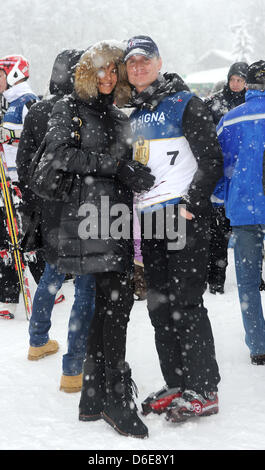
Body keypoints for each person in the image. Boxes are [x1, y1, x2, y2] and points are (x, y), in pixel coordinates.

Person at [30, 41, 154, 438]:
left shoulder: (117, 114)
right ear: (86, 73)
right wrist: (116, 166)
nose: (108, 77)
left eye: (113, 70)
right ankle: (116, 399)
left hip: (116, 223)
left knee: (107, 312)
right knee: (114, 314)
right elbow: (61, 155)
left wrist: (131, 169)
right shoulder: (69, 108)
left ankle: (92, 397)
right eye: (100, 70)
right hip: (87, 226)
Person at [124, 35, 222, 423]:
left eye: (144, 60)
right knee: (159, 306)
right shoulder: (132, 115)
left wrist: (192, 205)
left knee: (186, 302)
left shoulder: (184, 103)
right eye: (131, 62)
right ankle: (178, 383)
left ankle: (204, 388)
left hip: (182, 217)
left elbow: (211, 159)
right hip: (149, 220)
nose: (138, 67)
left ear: (158, 61)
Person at [16, 49, 96, 393]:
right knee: (84, 281)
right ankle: (73, 368)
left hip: (48, 206)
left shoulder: (37, 110)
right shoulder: (81, 110)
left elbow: (24, 162)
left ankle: (37, 340)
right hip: (82, 205)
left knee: (51, 271)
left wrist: (35, 204)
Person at [217, 60, 265, 366]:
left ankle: (258, 344)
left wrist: (222, 198)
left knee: (247, 281)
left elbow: (219, 165)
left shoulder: (230, 120)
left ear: (246, 85)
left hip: (245, 207)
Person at [0, 55, 46, 319]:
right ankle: (7, 296)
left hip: (24, 180)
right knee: (7, 236)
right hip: (7, 178)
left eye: (1, 74)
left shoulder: (28, 102)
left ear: (15, 73)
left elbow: (39, 137)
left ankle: (45, 287)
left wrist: (9, 136)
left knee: (27, 236)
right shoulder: (8, 103)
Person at [205, 62, 248, 294]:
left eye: (240, 80)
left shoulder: (250, 105)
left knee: (245, 232)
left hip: (243, 177)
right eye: (233, 79)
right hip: (220, 176)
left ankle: (251, 277)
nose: (235, 84)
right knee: (217, 233)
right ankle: (216, 278)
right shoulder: (214, 103)